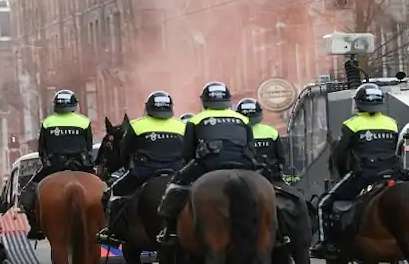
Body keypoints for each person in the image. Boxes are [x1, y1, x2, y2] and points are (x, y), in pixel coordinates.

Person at [156, 81, 256, 245]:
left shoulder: (196, 120)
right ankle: (280, 233)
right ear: (227, 100)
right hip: (242, 163)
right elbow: (251, 148)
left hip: (208, 164)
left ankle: (170, 230)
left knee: (175, 187)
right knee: (272, 188)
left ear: (204, 101)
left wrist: (190, 166)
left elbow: (187, 152)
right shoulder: (243, 119)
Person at [310, 82, 400, 258]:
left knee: (323, 203)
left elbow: (340, 152)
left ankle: (325, 243)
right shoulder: (392, 123)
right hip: (393, 173)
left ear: (358, 103)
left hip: (365, 175)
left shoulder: (352, 124)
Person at [99, 91, 186, 242]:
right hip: (176, 172)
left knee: (115, 191)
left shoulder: (136, 125)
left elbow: (125, 151)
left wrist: (128, 166)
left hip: (143, 172)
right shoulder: (182, 125)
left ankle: (112, 230)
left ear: (148, 108)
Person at [20, 89, 95, 240]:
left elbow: (42, 150)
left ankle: (36, 228)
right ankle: (106, 225)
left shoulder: (47, 123)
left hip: (53, 168)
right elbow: (88, 147)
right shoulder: (85, 122)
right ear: (74, 105)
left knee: (28, 195)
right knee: (105, 192)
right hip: (81, 166)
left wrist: (48, 162)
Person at [235, 97, 294, 246]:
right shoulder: (271, 131)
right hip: (271, 178)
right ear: (259, 115)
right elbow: (282, 159)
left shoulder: (235, 134)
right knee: (295, 201)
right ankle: (285, 234)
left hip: (243, 178)